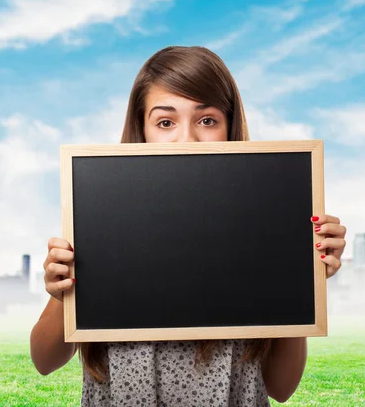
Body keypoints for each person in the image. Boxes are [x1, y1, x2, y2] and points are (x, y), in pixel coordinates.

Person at [30, 46, 347, 406]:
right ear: (142, 129)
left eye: (207, 120)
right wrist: (62, 293)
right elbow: (44, 361)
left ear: (229, 127)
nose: (186, 139)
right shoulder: (101, 225)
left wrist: (303, 280)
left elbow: (282, 387)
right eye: (166, 122)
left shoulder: (263, 234)